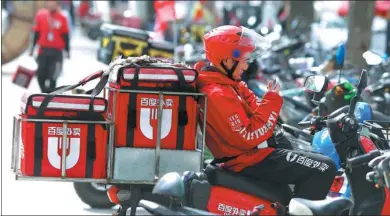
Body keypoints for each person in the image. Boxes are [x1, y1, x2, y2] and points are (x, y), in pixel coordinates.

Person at [195, 25, 336, 201]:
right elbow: (249, 135)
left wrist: (269, 102)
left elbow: (257, 109)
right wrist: (271, 100)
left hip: (256, 153)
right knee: (324, 167)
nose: (246, 66)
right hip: (248, 160)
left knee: (320, 156)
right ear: (227, 60)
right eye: (245, 60)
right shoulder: (218, 94)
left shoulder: (231, 85)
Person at [30, 0, 70, 93]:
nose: (51, 4)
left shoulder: (62, 17)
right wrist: (32, 49)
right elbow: (36, 33)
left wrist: (68, 51)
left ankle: (49, 97)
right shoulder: (41, 15)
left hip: (56, 52)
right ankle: (45, 93)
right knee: (40, 76)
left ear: (58, 4)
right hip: (43, 51)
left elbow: (66, 35)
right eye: (49, 2)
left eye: (54, 2)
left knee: (53, 77)